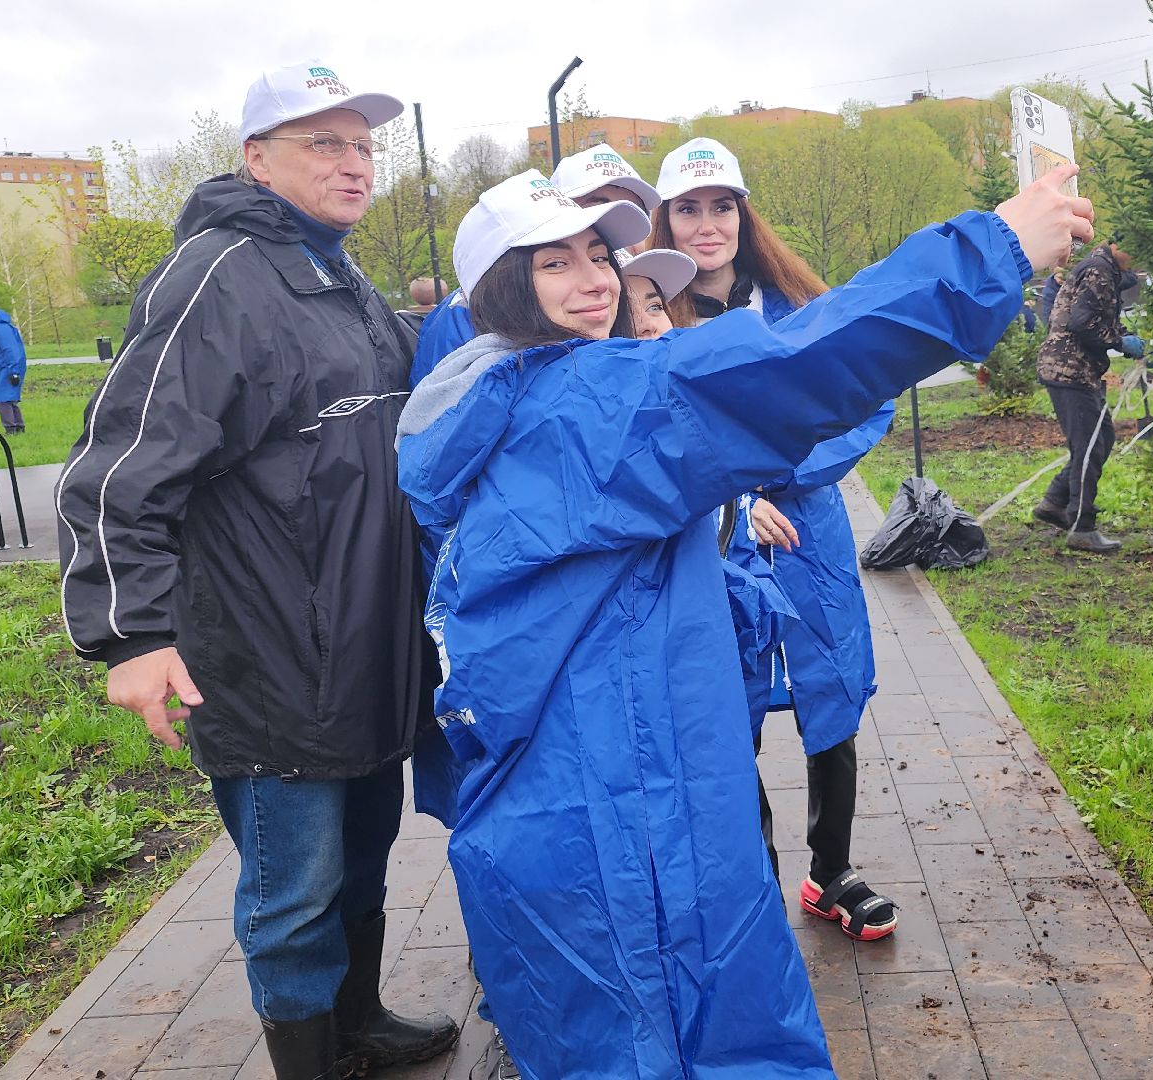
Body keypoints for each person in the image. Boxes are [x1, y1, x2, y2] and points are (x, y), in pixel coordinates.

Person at [396, 164, 1092, 1078]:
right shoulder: (584, 404)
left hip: (603, 783)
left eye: (598, 254)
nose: (596, 278)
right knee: (673, 1032)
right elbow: (794, 362)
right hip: (624, 803)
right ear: (498, 290)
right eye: (553, 263)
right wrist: (991, 249)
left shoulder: (494, 396)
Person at [54, 62, 457, 1080]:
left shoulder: (333, 275)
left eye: (363, 146)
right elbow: (119, 465)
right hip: (271, 659)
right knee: (295, 892)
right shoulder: (218, 274)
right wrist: (132, 633)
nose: (354, 164)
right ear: (255, 158)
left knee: (362, 858)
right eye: (324, 143)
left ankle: (355, 1026)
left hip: (363, 645)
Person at [651, 137, 900, 941]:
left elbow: (867, 400)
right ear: (666, 220)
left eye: (721, 205)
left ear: (742, 212)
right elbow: (655, 437)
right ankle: (749, 875)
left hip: (807, 536)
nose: (706, 224)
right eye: (688, 209)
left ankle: (833, 871)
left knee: (833, 692)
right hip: (713, 546)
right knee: (728, 703)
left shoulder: (798, 302)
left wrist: (786, 470)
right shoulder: (650, 318)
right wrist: (738, 487)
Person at [1032, 238, 1143, 553]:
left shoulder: (1105, 269)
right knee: (1090, 446)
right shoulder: (1098, 270)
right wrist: (1121, 343)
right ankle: (1082, 527)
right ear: (1117, 243)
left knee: (1102, 439)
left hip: (1078, 371)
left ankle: (1055, 502)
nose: (1137, 260)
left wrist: (1127, 338)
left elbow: (1097, 319)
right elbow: (1083, 324)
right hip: (1069, 370)